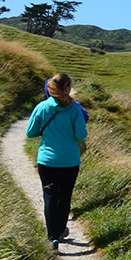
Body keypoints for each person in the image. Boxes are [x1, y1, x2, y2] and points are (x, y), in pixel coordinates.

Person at [25, 73, 88, 250]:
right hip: (69, 161)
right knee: (65, 196)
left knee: (50, 197)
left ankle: (52, 236)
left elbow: (30, 132)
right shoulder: (75, 110)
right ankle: (60, 230)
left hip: (47, 161)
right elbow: (81, 135)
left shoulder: (42, 107)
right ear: (67, 88)